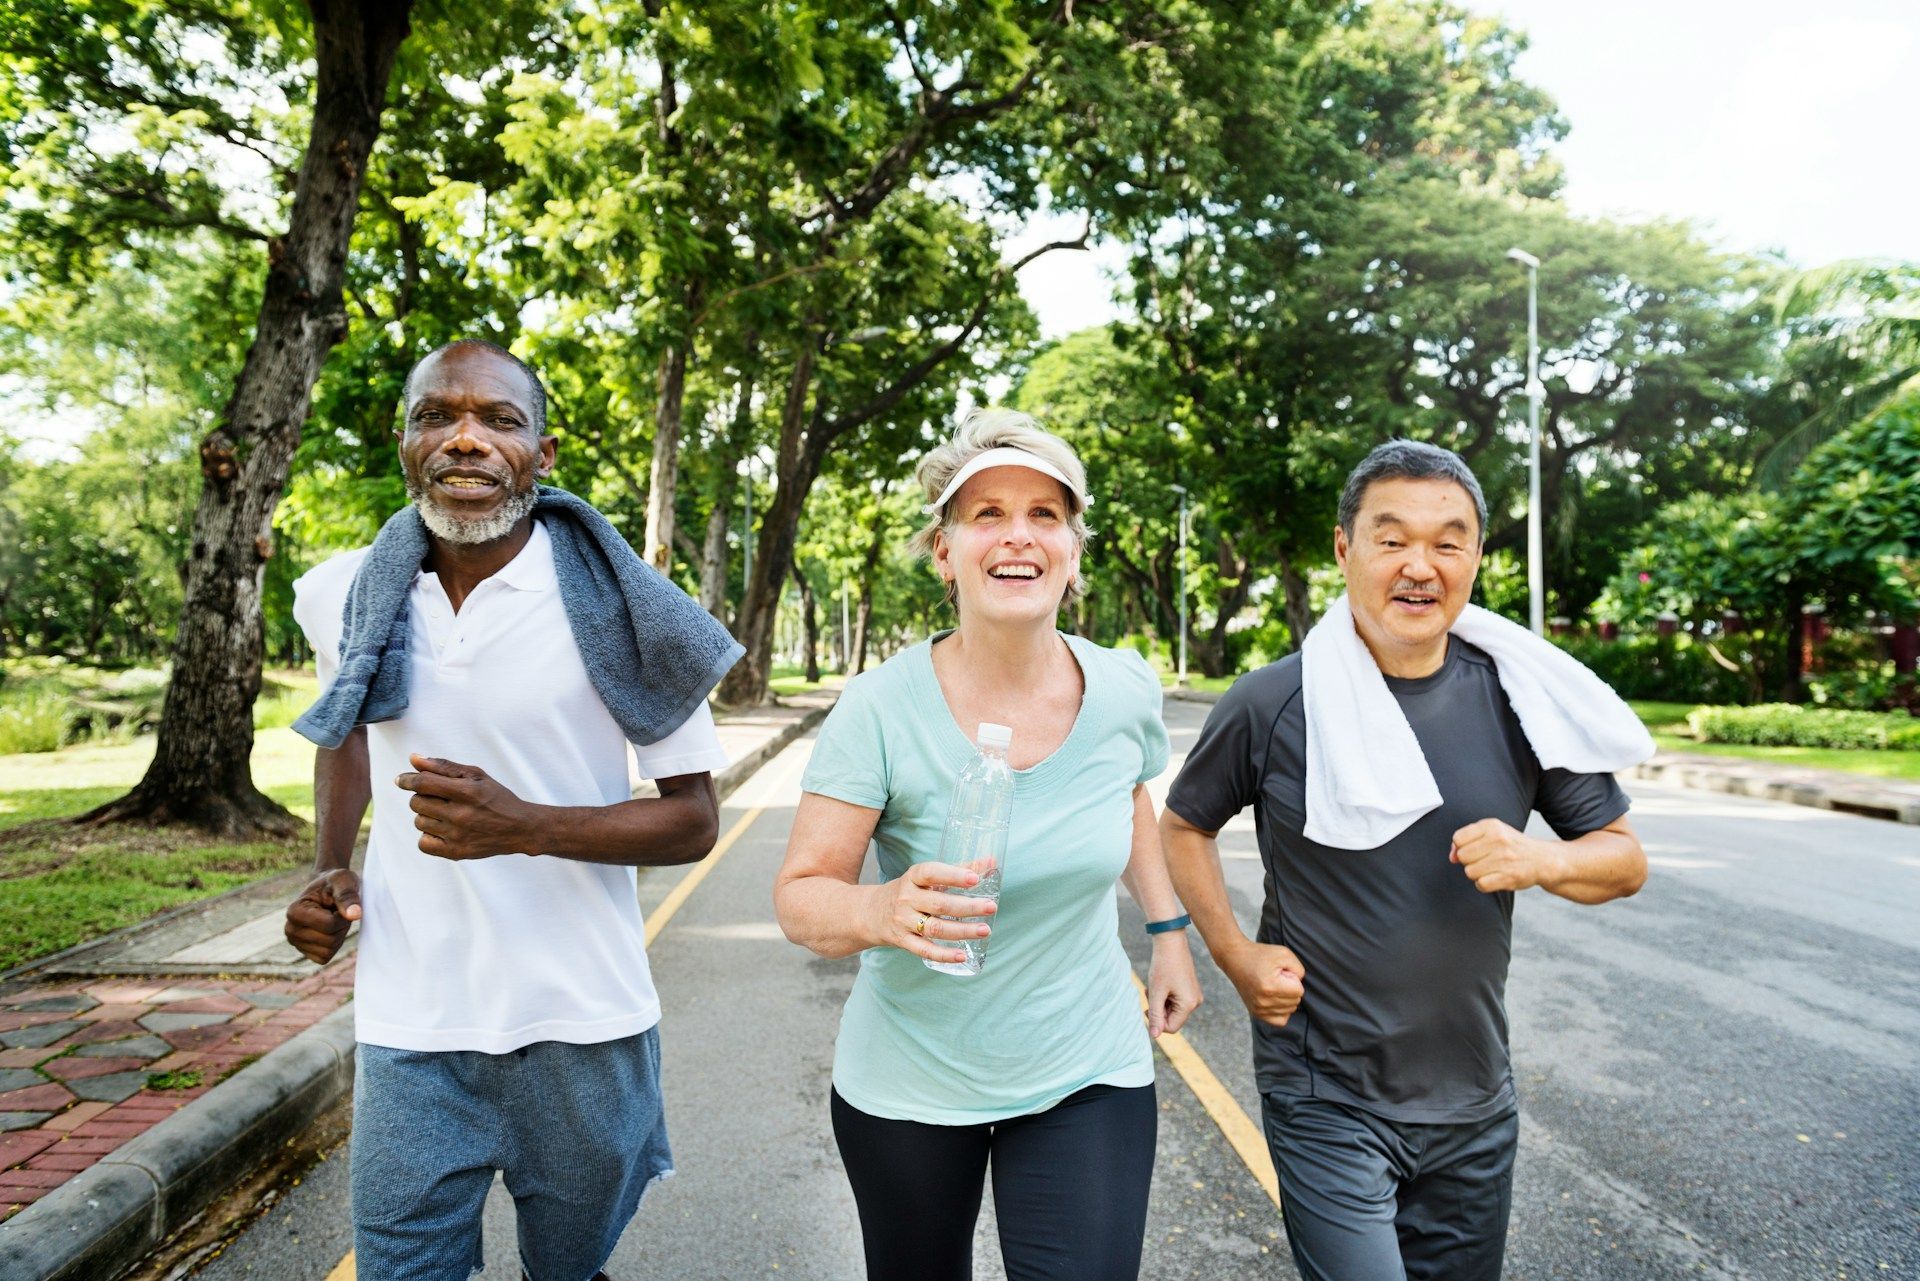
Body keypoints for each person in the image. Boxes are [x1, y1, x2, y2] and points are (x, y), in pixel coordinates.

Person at [282, 339, 743, 1281]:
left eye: (499, 419)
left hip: (582, 1023)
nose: (465, 439)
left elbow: (695, 819)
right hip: (412, 1022)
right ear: (403, 438)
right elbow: (348, 732)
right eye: (436, 416)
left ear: (543, 451)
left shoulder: (625, 607)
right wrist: (333, 865)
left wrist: (524, 825)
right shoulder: (341, 593)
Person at [1161, 439, 1650, 1281]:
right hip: (1326, 1092)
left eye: (1447, 540)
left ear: (1475, 558)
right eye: (1392, 539)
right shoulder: (1272, 702)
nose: (1420, 565)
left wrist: (1539, 858)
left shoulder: (1518, 698)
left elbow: (1624, 858)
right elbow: (1183, 826)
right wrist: (1236, 956)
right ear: (1345, 549)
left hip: (1474, 1099)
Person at [773, 408, 1203, 1281]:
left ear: (1074, 549)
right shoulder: (880, 708)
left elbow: (1126, 797)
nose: (1019, 536)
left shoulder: (1121, 686)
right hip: (910, 1079)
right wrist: (882, 906)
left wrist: (1168, 934)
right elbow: (802, 895)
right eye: (988, 513)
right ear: (945, 550)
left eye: (1046, 514)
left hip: (1087, 1063)